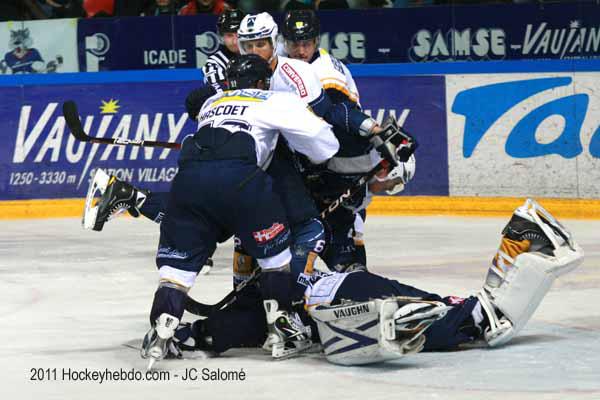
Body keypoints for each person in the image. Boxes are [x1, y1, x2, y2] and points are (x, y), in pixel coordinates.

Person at [171, 199, 584, 365]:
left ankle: (519, 238)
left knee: (473, 323)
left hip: (345, 302)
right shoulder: (278, 267)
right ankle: (519, 235)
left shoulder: (260, 298)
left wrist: (187, 334)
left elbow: (227, 327)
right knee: (469, 313)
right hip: (353, 286)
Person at [140, 54, 340, 369]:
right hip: (242, 182)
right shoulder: (275, 98)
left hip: (188, 183)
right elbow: (324, 144)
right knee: (276, 259)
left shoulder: (212, 102)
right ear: (262, 81)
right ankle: (282, 331)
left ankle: (161, 330)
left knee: (176, 272)